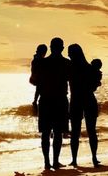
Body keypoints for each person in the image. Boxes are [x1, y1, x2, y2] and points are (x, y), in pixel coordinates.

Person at [36, 37, 71, 170]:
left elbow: (35, 82)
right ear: (62, 48)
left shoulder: (42, 63)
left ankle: (47, 162)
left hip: (45, 100)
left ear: (51, 48)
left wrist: (35, 100)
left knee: (45, 133)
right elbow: (73, 81)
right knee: (58, 133)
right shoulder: (67, 64)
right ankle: (55, 162)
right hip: (60, 100)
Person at [68, 44, 101, 168]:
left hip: (76, 100)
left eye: (70, 52)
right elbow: (94, 86)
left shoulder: (70, 68)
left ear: (74, 54)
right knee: (91, 130)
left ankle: (75, 160)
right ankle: (94, 158)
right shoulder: (90, 68)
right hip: (88, 99)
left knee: (75, 132)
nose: (68, 55)